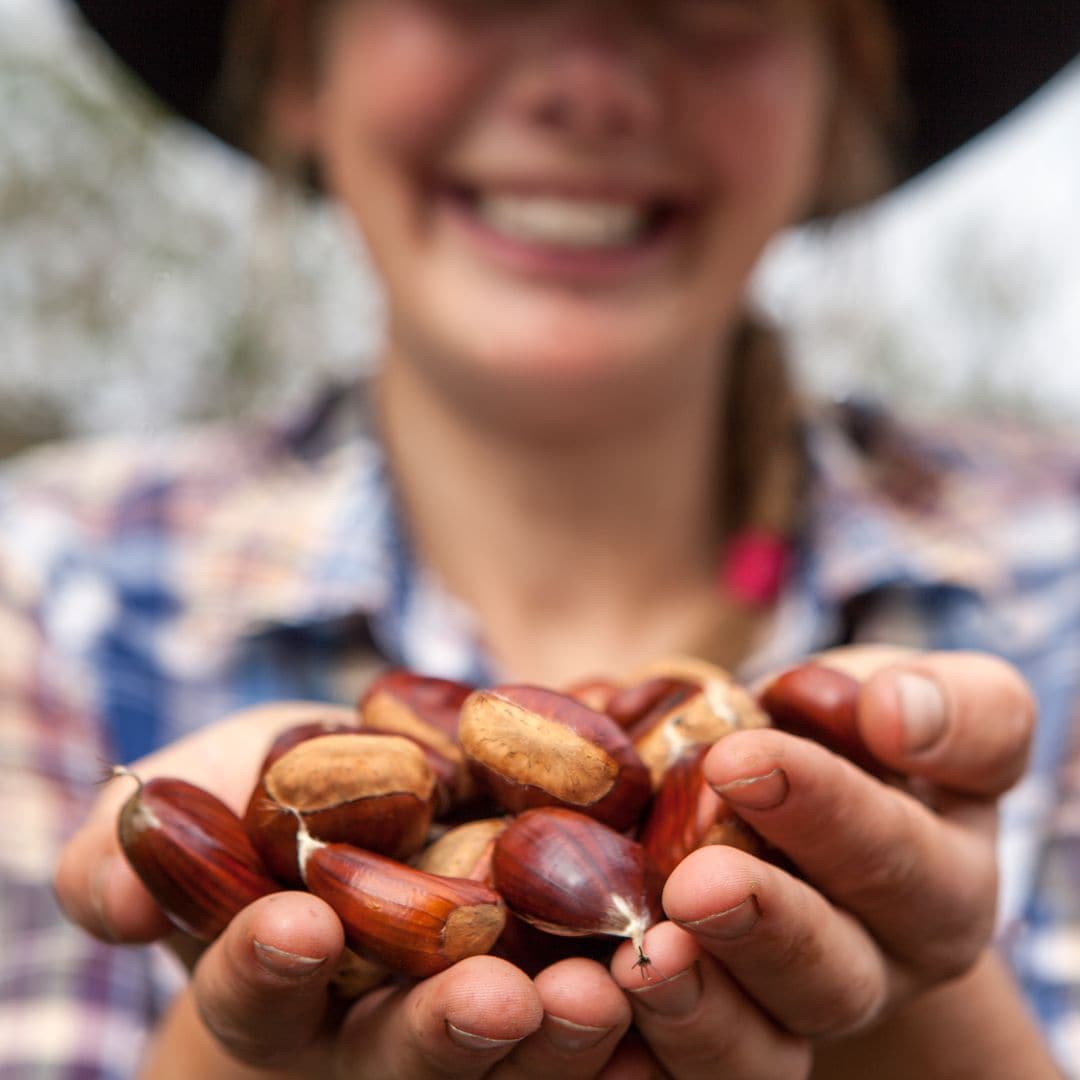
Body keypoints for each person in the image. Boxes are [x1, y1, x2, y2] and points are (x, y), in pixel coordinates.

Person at [2, 0, 1079, 1075]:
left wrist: (911, 1005)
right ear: (297, 56)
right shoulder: (46, 590)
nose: (586, 86)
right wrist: (238, 1050)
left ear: (844, 83)